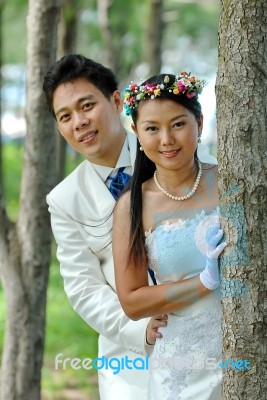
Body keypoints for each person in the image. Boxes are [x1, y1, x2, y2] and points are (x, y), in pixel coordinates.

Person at [42, 54, 168, 400]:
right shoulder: (64, 200)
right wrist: (141, 329)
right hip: (130, 362)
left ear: (115, 101)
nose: (79, 122)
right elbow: (84, 288)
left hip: (206, 338)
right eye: (65, 116)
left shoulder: (168, 153)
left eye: (87, 106)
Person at [112, 71, 227, 399]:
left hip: (249, 350)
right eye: (152, 128)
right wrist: (202, 284)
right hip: (182, 366)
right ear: (136, 131)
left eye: (178, 124)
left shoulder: (232, 183)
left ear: (200, 123)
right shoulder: (132, 206)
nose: (166, 139)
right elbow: (133, 301)